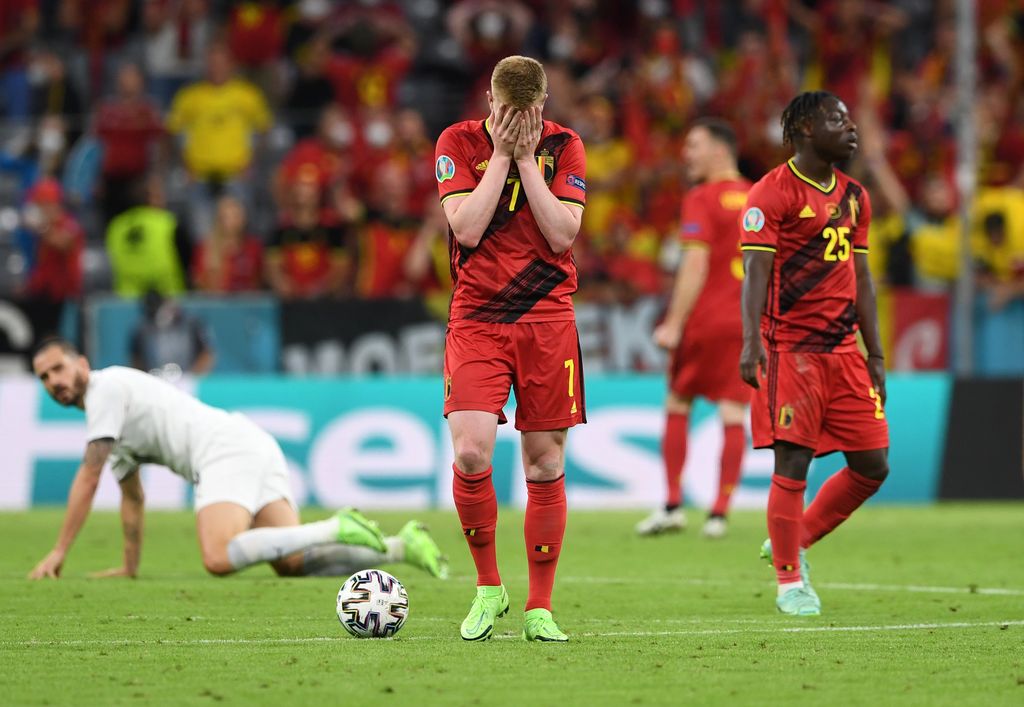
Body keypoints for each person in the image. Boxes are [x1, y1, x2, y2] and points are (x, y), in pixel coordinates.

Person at [27, 338, 447, 581]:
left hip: (222, 450)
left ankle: (336, 525)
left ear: (81, 363)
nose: (54, 382)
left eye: (58, 369)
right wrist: (129, 567)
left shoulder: (105, 390)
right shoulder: (109, 415)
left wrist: (59, 550)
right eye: (44, 378)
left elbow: (88, 476)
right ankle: (399, 547)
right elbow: (131, 496)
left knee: (218, 557)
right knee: (291, 561)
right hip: (249, 443)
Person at [435, 55, 586, 642]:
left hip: (548, 318)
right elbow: (467, 229)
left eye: (525, 116)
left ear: (542, 108)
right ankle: (488, 587)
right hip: (477, 317)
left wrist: (527, 159)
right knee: (472, 453)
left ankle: (538, 607)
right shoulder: (457, 141)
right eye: (504, 113)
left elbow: (562, 234)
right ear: (489, 102)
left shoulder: (565, 146)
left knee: (545, 464)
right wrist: (501, 154)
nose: (514, 121)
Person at [739, 91, 889, 617]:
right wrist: (751, 340)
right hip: (791, 349)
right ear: (804, 128)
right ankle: (788, 583)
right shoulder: (770, 193)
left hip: (845, 350)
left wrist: (876, 354)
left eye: (850, 119)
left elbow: (862, 277)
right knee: (793, 460)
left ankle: (793, 538)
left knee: (873, 465)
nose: (850, 129)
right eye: (836, 119)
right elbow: (755, 272)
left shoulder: (855, 196)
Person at [636, 119, 751, 540]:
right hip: (746, 322)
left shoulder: (702, 197)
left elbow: (696, 263)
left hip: (706, 320)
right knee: (734, 410)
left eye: (694, 146)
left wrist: (673, 323)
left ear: (721, 150)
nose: (687, 154)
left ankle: (671, 505)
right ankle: (719, 513)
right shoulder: (759, 197)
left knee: (678, 401)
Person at [130, 290, 215, 376]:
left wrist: (192, 377)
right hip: (155, 378)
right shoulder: (142, 330)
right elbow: (136, 360)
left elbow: (207, 354)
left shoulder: (191, 324)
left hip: (187, 378)